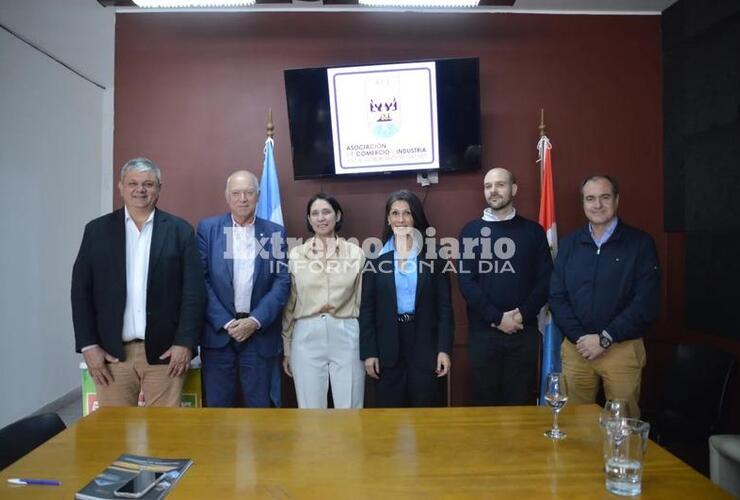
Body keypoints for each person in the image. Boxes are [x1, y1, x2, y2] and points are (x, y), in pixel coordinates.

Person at [71, 157, 206, 407]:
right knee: (113, 434)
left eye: (148, 184)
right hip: (112, 355)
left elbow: (193, 293)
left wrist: (185, 343)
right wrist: (88, 345)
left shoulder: (180, 231)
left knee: (164, 434)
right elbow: (81, 292)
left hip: (165, 354)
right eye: (132, 183)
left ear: (159, 188)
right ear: (120, 187)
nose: (140, 189)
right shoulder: (96, 231)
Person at [550, 174, 660, 418]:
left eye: (604, 197)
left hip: (621, 348)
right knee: (575, 423)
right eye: (590, 198)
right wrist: (581, 338)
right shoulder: (569, 244)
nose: (597, 205)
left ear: (617, 200)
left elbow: (646, 302)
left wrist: (605, 339)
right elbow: (557, 297)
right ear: (583, 203)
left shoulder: (640, 244)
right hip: (577, 349)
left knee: (623, 426)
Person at [458, 168, 553, 406]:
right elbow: (466, 283)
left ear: (513, 189)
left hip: (524, 334)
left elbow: (545, 281)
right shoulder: (470, 232)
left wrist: (521, 314)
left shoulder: (534, 232)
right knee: (484, 406)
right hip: (483, 336)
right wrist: (498, 318)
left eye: (500, 185)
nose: (493, 191)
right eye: (488, 186)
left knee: (519, 406)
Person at [197, 170, 290, 407]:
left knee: (261, 411)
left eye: (249, 192)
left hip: (258, 334)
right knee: (217, 412)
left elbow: (282, 281)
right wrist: (227, 323)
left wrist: (255, 321)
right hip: (219, 335)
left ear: (258, 195)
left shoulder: (274, 233)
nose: (243, 199)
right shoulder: (208, 229)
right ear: (227, 196)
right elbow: (201, 280)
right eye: (236, 193)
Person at [360, 190, 453, 407]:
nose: (401, 219)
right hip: (387, 348)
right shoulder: (375, 259)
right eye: (395, 213)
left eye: (407, 213)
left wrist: (444, 349)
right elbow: (367, 309)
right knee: (390, 421)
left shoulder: (435, 256)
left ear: (416, 218)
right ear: (388, 218)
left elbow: (444, 308)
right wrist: (369, 352)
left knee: (426, 420)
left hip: (425, 345)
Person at [282, 193, 366, 408]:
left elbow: (364, 301)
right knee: (310, 410)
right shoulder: (296, 255)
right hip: (306, 333)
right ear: (309, 219)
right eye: (315, 213)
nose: (321, 218)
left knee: (350, 407)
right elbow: (290, 305)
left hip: (346, 331)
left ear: (337, 216)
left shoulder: (356, 254)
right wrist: (287, 348)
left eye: (326, 212)